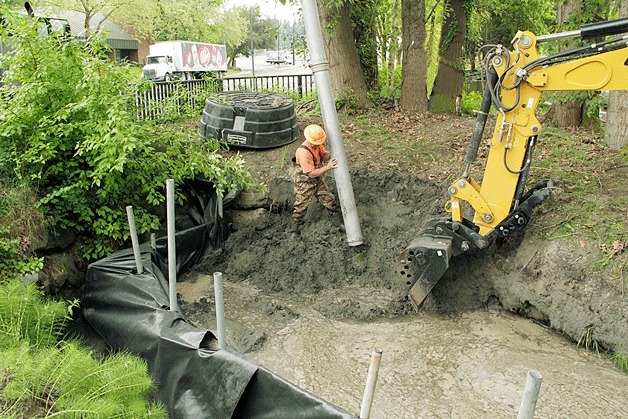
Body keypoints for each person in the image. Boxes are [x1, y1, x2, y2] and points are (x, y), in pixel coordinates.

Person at [290, 124, 344, 237]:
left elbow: (323, 156)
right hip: (304, 183)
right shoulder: (304, 153)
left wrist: (335, 151)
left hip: (317, 180)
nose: (319, 144)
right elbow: (311, 173)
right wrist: (328, 167)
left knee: (329, 199)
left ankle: (338, 223)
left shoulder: (317, 146)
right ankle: (294, 230)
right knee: (301, 206)